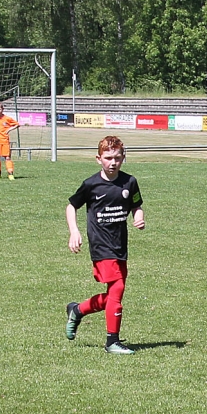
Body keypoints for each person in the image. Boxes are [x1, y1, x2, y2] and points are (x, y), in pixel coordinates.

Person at [65, 136, 144, 354]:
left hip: (120, 246)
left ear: (123, 158)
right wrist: (74, 231)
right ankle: (112, 342)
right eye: (108, 158)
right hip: (100, 245)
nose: (113, 162)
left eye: (117, 158)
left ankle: (77, 310)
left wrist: (139, 217)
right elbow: (71, 206)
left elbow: (136, 205)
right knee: (117, 289)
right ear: (98, 159)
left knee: (113, 296)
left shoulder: (129, 182)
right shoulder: (91, 184)